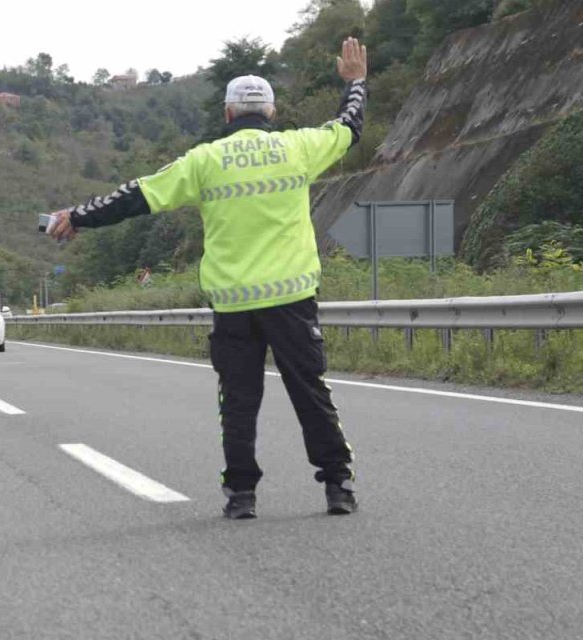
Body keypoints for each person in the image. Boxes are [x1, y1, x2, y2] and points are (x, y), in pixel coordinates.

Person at [47, 38, 369, 519]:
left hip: (234, 304)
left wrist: (78, 214)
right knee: (311, 392)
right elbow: (349, 126)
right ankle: (338, 486)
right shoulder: (298, 147)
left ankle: (241, 496)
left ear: (228, 114)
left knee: (238, 402)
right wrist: (355, 82)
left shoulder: (205, 161)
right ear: (272, 112)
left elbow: (137, 195)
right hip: (292, 299)